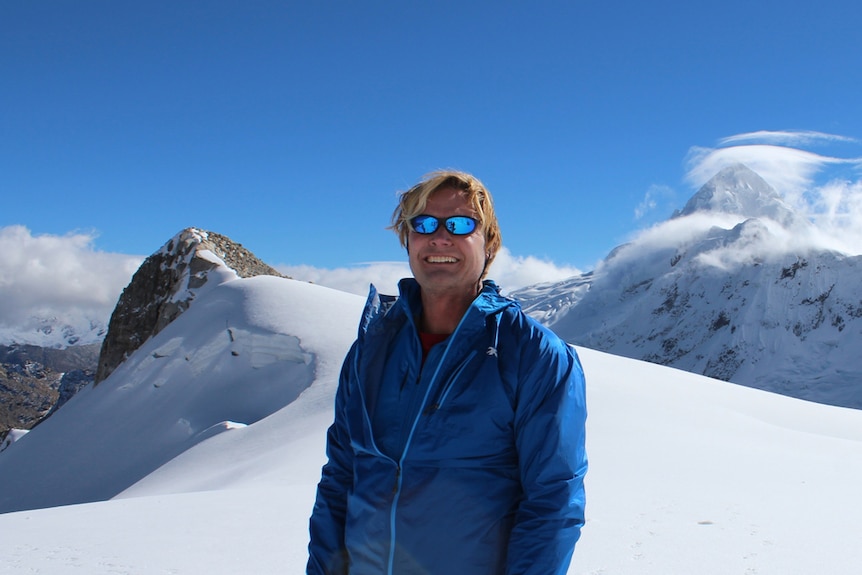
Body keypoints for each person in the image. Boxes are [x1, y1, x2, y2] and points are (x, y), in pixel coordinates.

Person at [307, 170, 588, 574]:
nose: (440, 237)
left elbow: (553, 504)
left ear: (489, 244)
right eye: (423, 224)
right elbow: (340, 480)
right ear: (408, 239)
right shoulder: (372, 348)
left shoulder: (534, 355)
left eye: (460, 224)